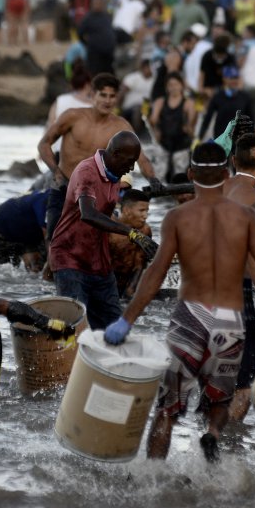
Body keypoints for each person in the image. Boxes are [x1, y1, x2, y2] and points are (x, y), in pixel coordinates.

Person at [102, 142, 255, 462]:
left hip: (190, 316)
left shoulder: (177, 218)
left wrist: (127, 320)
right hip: (229, 318)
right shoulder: (246, 216)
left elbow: (154, 275)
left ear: (191, 174)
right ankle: (212, 434)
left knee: (168, 408)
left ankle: (151, 477)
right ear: (225, 174)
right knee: (221, 401)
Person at [48, 131, 158, 329]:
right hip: (70, 257)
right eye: (130, 161)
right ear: (115, 154)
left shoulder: (115, 174)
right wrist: (131, 233)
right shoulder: (87, 171)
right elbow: (88, 214)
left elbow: (106, 218)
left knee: (115, 327)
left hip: (99, 261)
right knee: (75, 327)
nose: (132, 167)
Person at [37, 74, 161, 244]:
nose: (107, 101)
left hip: (94, 195)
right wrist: (56, 173)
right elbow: (44, 144)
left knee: (95, 244)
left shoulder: (121, 126)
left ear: (117, 98)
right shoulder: (72, 116)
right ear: (93, 94)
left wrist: (153, 179)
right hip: (64, 187)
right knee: (54, 241)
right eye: (103, 95)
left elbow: (141, 158)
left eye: (112, 96)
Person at [221, 134, 255, 420]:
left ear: (232, 160)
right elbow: (253, 258)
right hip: (236, 292)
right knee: (247, 382)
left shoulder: (221, 186)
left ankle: (205, 439)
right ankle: (228, 448)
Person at [0, 189, 51, 272]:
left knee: (36, 267)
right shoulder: (45, 201)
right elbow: (48, 235)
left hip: (31, 232)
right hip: (2, 230)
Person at [148, 71, 196, 182]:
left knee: (180, 174)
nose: (173, 88)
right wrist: (154, 127)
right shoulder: (160, 102)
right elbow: (153, 120)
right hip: (164, 143)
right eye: (170, 85)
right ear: (166, 87)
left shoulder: (189, 103)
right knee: (159, 174)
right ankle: (159, 197)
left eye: (176, 84)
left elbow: (192, 125)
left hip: (182, 144)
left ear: (182, 86)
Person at [108, 189, 152, 297]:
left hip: (127, 282)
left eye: (147, 211)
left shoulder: (144, 230)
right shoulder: (108, 228)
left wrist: (131, 289)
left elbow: (140, 262)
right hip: (105, 283)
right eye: (141, 211)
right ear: (127, 210)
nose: (145, 216)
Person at [198, 65, 255, 140]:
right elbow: (207, 119)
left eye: (236, 77)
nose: (234, 80)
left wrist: (252, 139)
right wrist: (199, 138)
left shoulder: (245, 97)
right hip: (221, 139)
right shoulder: (217, 97)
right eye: (231, 78)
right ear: (224, 79)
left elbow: (251, 121)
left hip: (239, 141)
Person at [78, 0, 117, 76]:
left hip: (108, 53)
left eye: (99, 3)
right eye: (96, 3)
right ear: (92, 4)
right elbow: (80, 33)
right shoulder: (88, 18)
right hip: (95, 54)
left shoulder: (106, 16)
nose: (98, 5)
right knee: (96, 75)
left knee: (108, 75)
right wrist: (89, 44)